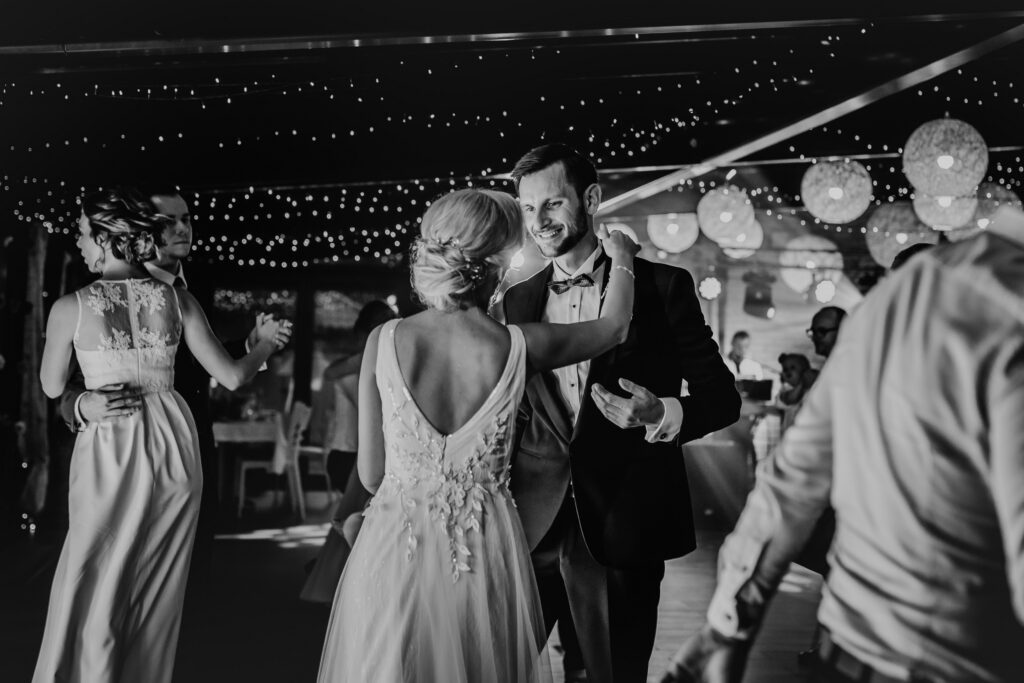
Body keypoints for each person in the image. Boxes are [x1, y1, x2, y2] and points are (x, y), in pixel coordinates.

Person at [659, 205, 1024, 683]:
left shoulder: (908, 293)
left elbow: (790, 484)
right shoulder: (1006, 304)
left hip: (848, 652)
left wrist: (727, 625)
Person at [317, 188, 639, 682]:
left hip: (397, 540)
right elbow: (615, 327)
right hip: (483, 544)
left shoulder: (383, 340)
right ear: (498, 265)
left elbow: (372, 473)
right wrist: (622, 258)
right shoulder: (518, 345)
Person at [504, 143, 741, 683]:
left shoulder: (662, 287)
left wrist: (661, 414)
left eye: (553, 203)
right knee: (503, 667)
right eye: (528, 207)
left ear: (590, 199)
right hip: (530, 523)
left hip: (622, 520)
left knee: (615, 674)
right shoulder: (516, 300)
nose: (539, 221)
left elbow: (721, 398)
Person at [34, 187, 290, 683]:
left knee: (92, 566)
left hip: (112, 446)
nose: (79, 244)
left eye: (83, 233)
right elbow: (234, 375)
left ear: (106, 237)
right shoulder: (177, 299)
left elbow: (50, 385)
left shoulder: (71, 306)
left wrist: (85, 395)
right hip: (174, 443)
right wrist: (261, 346)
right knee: (158, 582)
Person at [300, 300, 397, 604]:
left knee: (362, 523)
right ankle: (350, 584)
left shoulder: (370, 365)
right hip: (349, 456)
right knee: (359, 524)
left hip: (354, 455)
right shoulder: (359, 366)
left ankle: (350, 581)